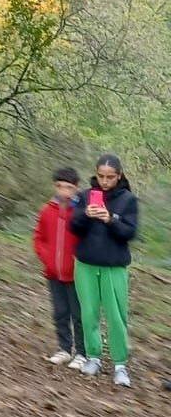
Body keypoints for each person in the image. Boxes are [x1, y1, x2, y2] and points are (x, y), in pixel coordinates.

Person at [70, 154, 139, 387]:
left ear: (119, 176)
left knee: (116, 316)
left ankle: (120, 365)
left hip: (114, 267)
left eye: (110, 177)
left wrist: (110, 220)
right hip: (86, 265)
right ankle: (94, 357)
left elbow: (129, 232)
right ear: (96, 174)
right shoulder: (84, 196)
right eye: (101, 176)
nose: (105, 181)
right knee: (89, 313)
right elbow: (73, 226)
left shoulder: (128, 200)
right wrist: (86, 215)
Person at [33, 168, 86, 370]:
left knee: (79, 314)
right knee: (60, 312)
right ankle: (64, 348)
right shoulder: (47, 210)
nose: (64, 192)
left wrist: (79, 261)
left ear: (76, 188)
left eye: (69, 187)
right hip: (53, 273)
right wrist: (47, 258)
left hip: (76, 274)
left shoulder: (81, 212)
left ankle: (82, 352)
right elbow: (39, 238)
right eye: (60, 186)